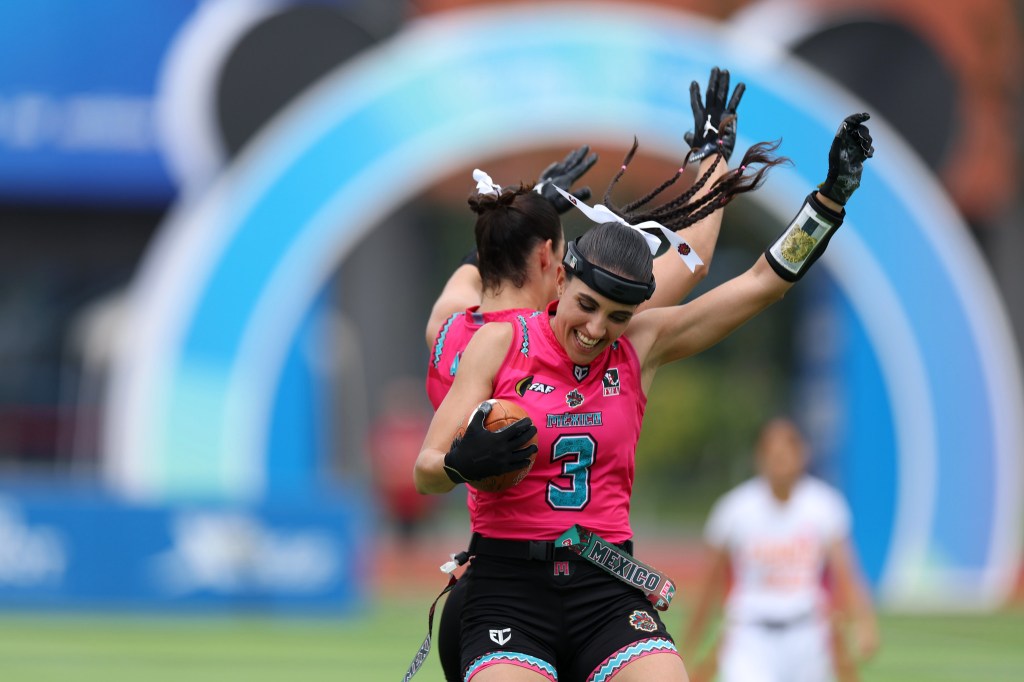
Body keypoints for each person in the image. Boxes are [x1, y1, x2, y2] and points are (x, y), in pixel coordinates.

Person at [413, 111, 875, 682]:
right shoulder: (499, 342)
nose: (597, 328)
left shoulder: (641, 345)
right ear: (560, 279)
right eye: (587, 305)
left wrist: (828, 205)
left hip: (605, 586)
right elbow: (426, 471)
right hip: (507, 587)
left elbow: (760, 284)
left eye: (618, 315)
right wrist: (461, 463)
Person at [424, 68, 749, 682]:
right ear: (553, 259)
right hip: (528, 589)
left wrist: (519, 216)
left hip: (487, 579)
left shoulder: (449, 328)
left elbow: (475, 274)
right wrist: (711, 160)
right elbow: (691, 262)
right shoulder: (548, 337)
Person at [681, 418, 881, 682]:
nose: (780, 461)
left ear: (802, 455)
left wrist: (864, 623)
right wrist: (688, 646)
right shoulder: (734, 509)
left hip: (808, 634)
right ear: (759, 457)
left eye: (787, 453)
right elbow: (709, 584)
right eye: (773, 454)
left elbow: (846, 571)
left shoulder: (824, 505)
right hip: (750, 635)